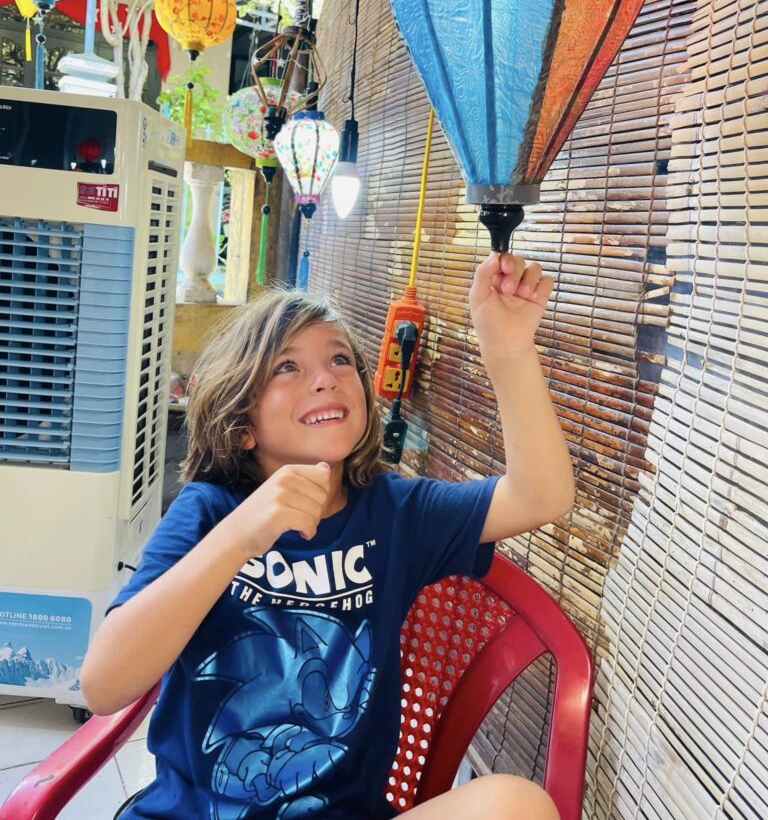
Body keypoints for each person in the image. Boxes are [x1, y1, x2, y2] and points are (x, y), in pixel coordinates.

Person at [81, 252, 574, 820]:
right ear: (242, 426)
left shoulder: (397, 512)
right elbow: (103, 687)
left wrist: (508, 350)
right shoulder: (209, 512)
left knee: (517, 802)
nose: (325, 378)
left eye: (341, 360)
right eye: (287, 367)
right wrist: (239, 536)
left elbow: (541, 496)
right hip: (192, 812)